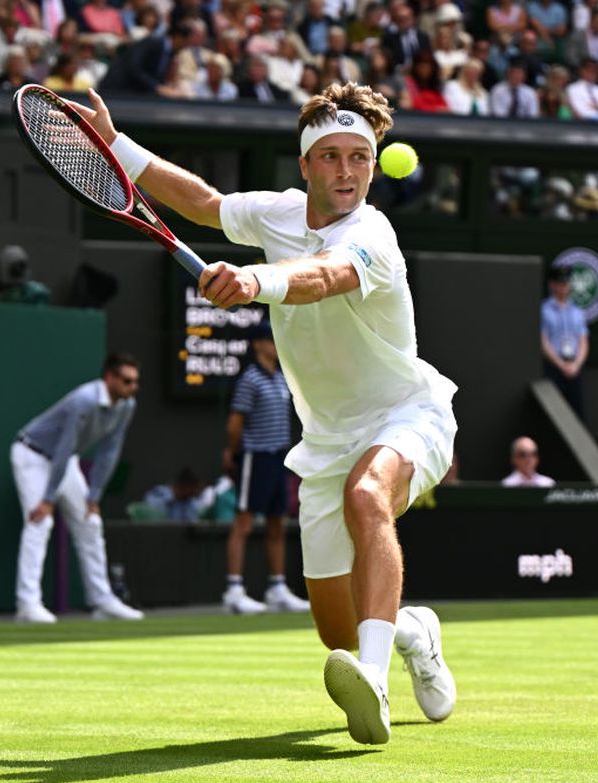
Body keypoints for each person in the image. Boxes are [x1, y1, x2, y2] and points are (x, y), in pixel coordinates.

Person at [68, 81, 458, 745]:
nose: (345, 171)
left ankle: (378, 682)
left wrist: (254, 282)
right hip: (326, 438)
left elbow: (324, 276)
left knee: (370, 498)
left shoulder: (374, 235)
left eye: (358, 158)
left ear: (374, 163)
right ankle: (414, 634)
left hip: (406, 414)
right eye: (329, 157)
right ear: (304, 165)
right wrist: (114, 144)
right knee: (337, 630)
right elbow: (204, 202)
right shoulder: (277, 214)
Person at [10, 352, 145, 623]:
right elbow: (65, 446)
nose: (133, 387)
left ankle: (102, 600)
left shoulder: (127, 405)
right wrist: (48, 499)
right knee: (40, 522)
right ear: (109, 377)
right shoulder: (84, 400)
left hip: (64, 461)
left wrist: (94, 495)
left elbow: (110, 450)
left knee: (90, 522)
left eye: (135, 382)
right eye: (127, 381)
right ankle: (27, 603)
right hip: (32, 455)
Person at [221, 322, 311, 615]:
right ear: (258, 344)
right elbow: (235, 425)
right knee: (244, 522)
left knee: (277, 523)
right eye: (270, 340)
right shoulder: (250, 379)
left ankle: (277, 588)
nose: (275, 345)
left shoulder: (282, 378)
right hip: (254, 457)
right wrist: (235, 453)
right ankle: (234, 590)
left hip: (278, 460)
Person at [540, 263, 588, 418]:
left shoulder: (577, 311)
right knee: (553, 415)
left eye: (566, 283)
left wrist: (576, 365)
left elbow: (583, 341)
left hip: (574, 368)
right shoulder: (544, 310)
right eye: (560, 283)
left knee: (577, 414)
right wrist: (561, 365)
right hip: (553, 368)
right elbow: (543, 341)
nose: (564, 287)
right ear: (552, 284)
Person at [143, 467, 212, 521]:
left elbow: (198, 518)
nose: (188, 490)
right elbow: (149, 503)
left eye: (192, 487)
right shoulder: (162, 492)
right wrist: (173, 496)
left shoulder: (192, 501)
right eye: (186, 487)